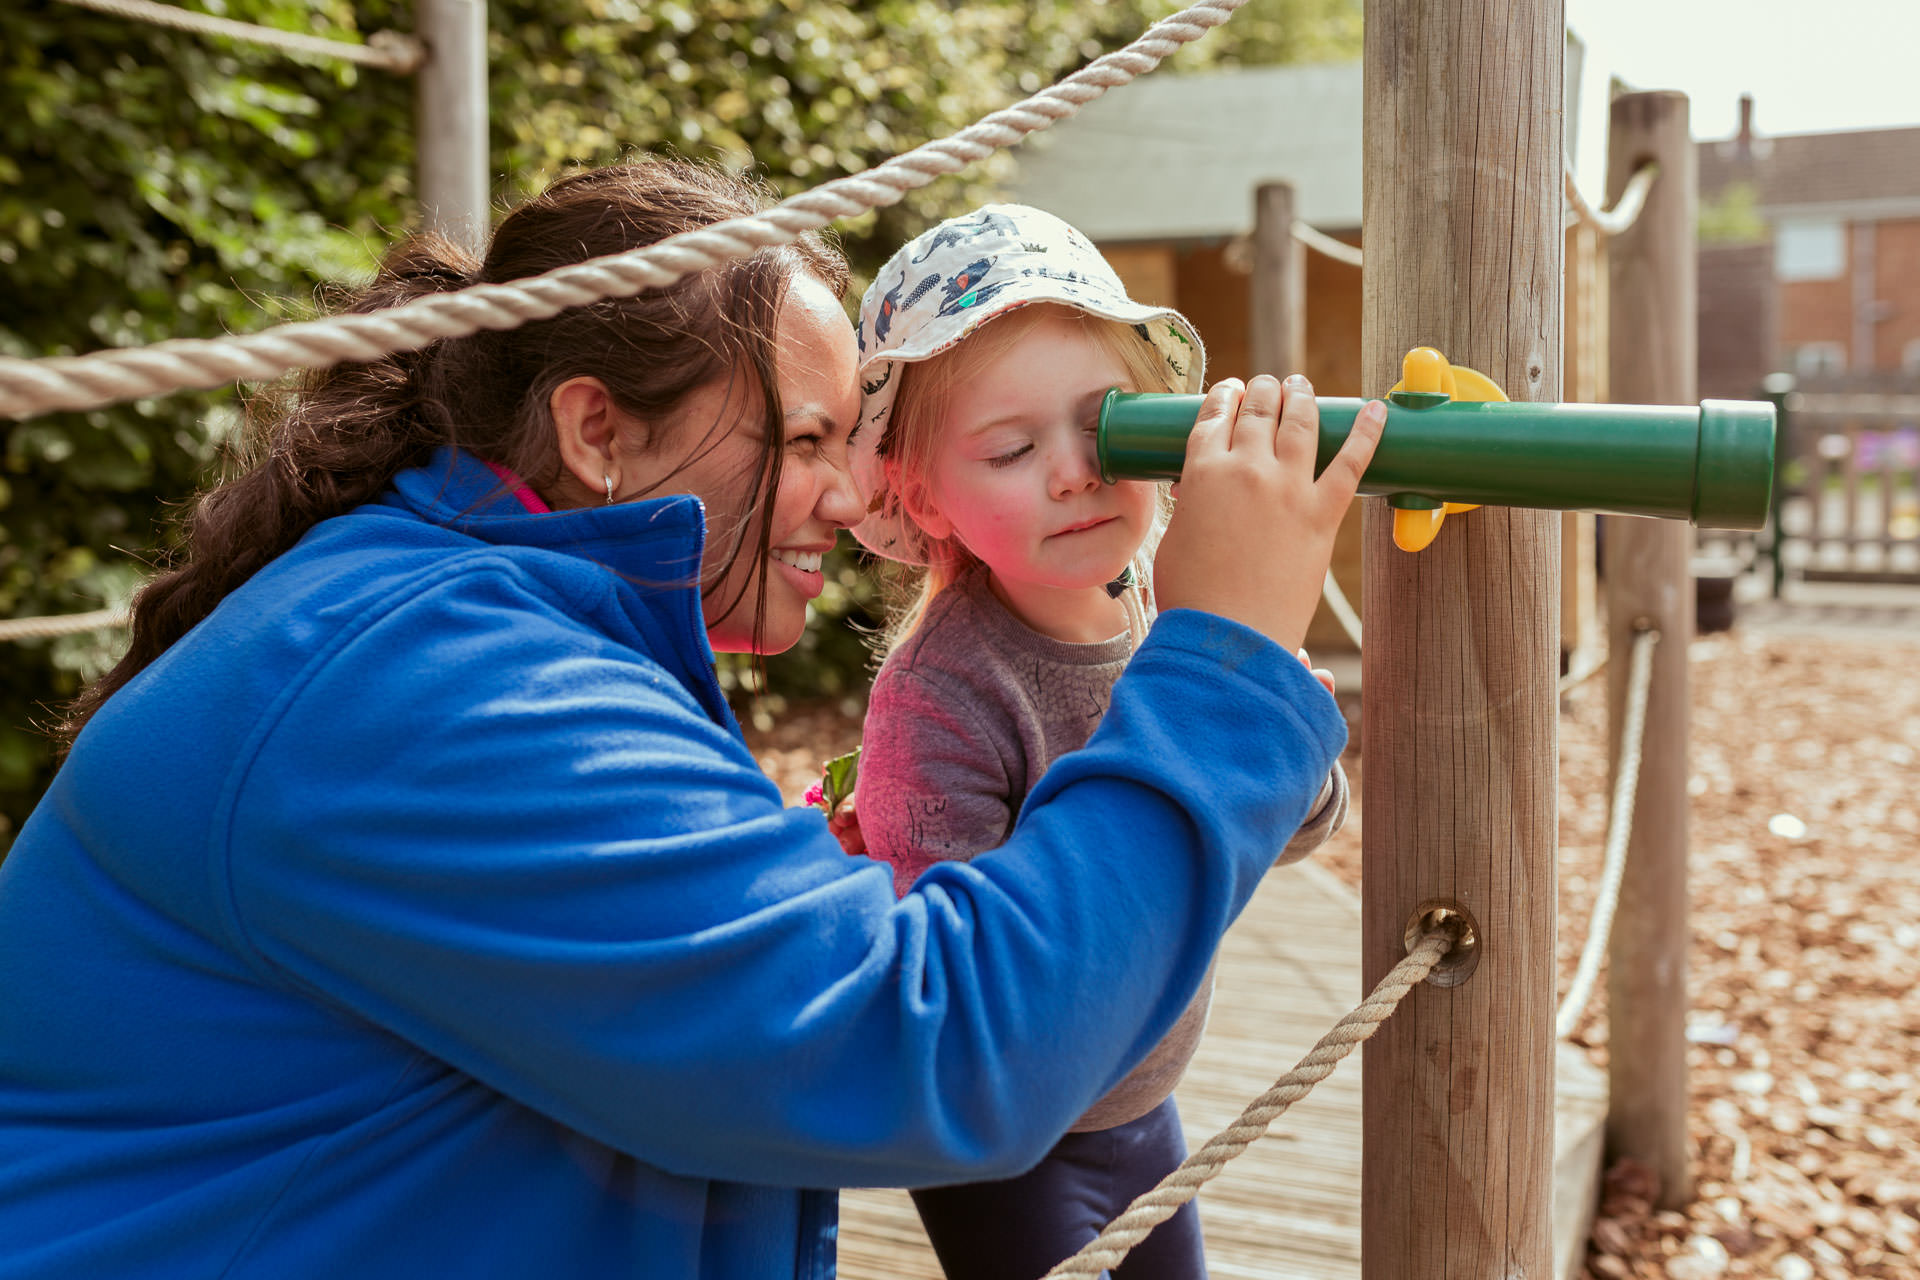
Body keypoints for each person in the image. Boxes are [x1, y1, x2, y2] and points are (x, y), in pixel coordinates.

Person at [0, 159, 1386, 1280]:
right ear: (601, 431)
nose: (849, 501)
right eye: (802, 440)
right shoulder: (429, 686)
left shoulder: (478, 623)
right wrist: (1222, 656)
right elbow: (930, 1051)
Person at [845, 205, 1350, 1280]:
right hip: (1008, 1139)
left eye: (1108, 423)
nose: (1074, 470)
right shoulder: (939, 696)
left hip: (1145, 1098)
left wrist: (1269, 718)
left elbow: (1288, 831)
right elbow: (966, 979)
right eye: (1013, 449)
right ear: (920, 492)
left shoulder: (1168, 609)